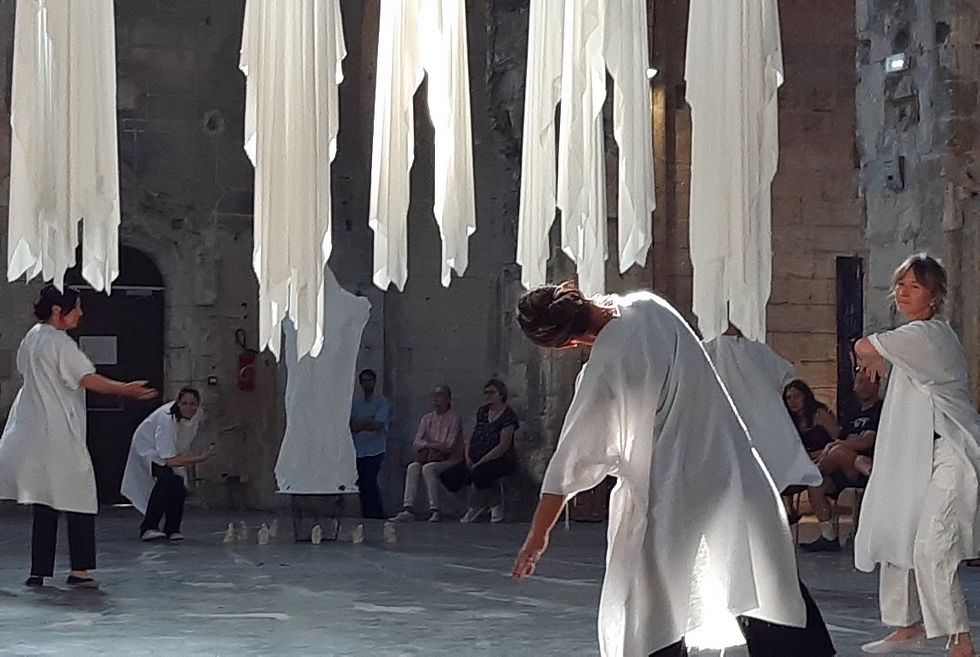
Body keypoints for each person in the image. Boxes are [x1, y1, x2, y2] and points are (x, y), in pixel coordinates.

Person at [511, 283, 834, 657]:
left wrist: (538, 535)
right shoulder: (650, 306)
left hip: (673, 490)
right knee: (766, 582)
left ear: (565, 344)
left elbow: (573, 460)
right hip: (733, 468)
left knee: (653, 605)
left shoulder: (607, 363)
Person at [853, 254, 980, 657]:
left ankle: (960, 638)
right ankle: (906, 625)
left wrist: (872, 355)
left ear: (934, 296)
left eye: (915, 287)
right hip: (919, 453)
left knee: (931, 545)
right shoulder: (911, 340)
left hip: (952, 452)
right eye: (901, 285)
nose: (904, 293)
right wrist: (875, 357)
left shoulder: (928, 337)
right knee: (898, 525)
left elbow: (862, 345)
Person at [0, 285, 157, 589]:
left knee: (44, 500)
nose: (81, 313)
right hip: (59, 431)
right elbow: (86, 378)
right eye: (77, 307)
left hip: (37, 429)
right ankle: (80, 570)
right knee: (80, 498)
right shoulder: (59, 343)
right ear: (58, 311)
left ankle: (39, 570)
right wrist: (126, 389)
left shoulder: (32, 337)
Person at [703, 323, 822, 496]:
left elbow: (784, 373)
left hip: (762, 421)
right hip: (731, 423)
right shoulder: (712, 349)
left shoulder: (756, 349)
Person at [800, 370, 882, 552]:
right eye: (859, 382)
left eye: (868, 381)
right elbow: (840, 441)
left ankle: (819, 469)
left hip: (870, 468)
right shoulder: (852, 415)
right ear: (854, 387)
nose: (864, 386)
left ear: (878, 386)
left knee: (837, 451)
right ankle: (828, 536)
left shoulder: (882, 410)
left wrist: (835, 447)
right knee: (816, 484)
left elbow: (869, 440)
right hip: (848, 466)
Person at [121, 388, 214, 541]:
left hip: (171, 452)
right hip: (149, 450)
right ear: (177, 403)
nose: (189, 407)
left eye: (192, 404)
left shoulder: (197, 415)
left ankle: (173, 529)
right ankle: (149, 527)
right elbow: (169, 460)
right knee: (165, 482)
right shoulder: (166, 419)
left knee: (178, 486)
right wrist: (198, 458)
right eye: (184, 403)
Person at [439, 379, 519, 524]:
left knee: (480, 473)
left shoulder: (508, 416)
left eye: (492, 393)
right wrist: (468, 456)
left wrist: (481, 462)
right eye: (486, 393)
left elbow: (503, 445)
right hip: (476, 457)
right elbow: (471, 436)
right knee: (449, 476)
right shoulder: (482, 412)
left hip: (499, 459)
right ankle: (480, 504)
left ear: (501, 395)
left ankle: (490, 504)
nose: (488, 396)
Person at [390, 385, 463, 523]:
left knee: (428, 469)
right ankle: (408, 509)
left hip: (449, 459)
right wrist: (432, 446)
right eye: (434, 395)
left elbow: (449, 445)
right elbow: (417, 442)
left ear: (448, 399)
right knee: (413, 467)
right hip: (431, 457)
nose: (436, 398)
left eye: (440, 395)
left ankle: (435, 509)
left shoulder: (454, 418)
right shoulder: (427, 418)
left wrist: (430, 444)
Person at [350, 369, 390, 519]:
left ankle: (376, 514)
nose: (368, 383)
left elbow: (378, 424)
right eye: (365, 380)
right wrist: (369, 420)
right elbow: (352, 425)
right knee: (362, 483)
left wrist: (363, 423)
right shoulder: (356, 403)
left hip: (376, 449)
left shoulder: (381, 402)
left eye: (370, 380)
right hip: (359, 449)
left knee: (370, 482)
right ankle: (366, 513)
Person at [783, 379, 840, 458]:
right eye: (789, 398)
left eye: (797, 397)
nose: (792, 401)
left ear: (805, 397)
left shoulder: (819, 413)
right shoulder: (787, 419)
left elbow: (838, 438)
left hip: (827, 457)